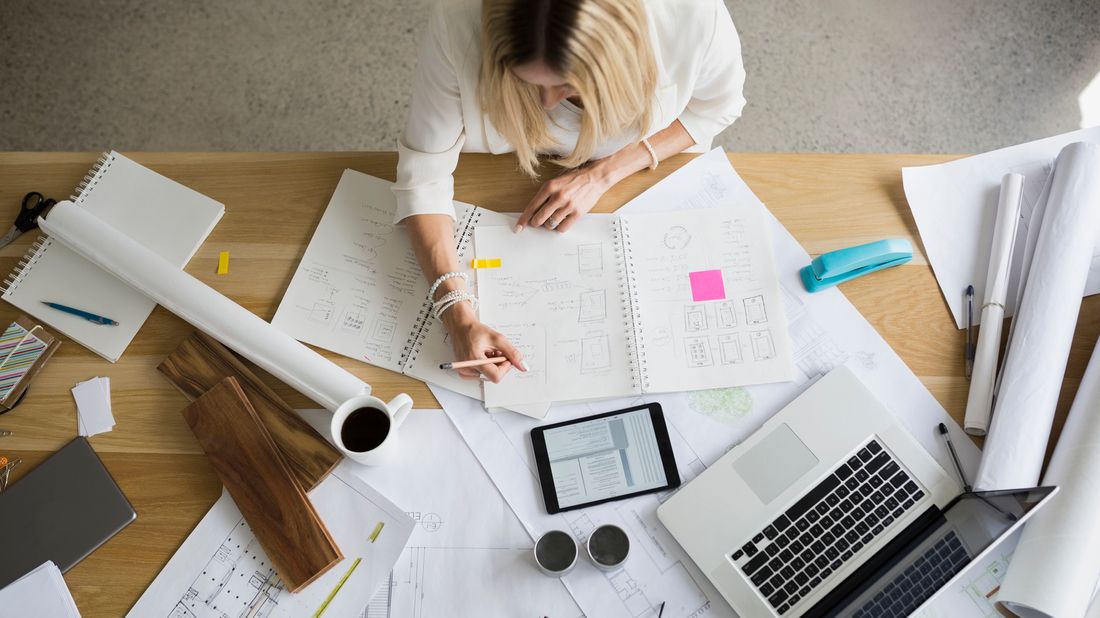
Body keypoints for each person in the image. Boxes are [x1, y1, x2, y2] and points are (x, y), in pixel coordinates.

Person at [394, 0, 746, 383]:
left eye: (567, 85)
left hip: (645, 175)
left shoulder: (694, 15)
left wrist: (603, 174)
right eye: (528, 80)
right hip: (500, 172)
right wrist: (458, 313)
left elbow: (716, 108)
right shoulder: (457, 22)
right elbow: (424, 174)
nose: (546, 102)